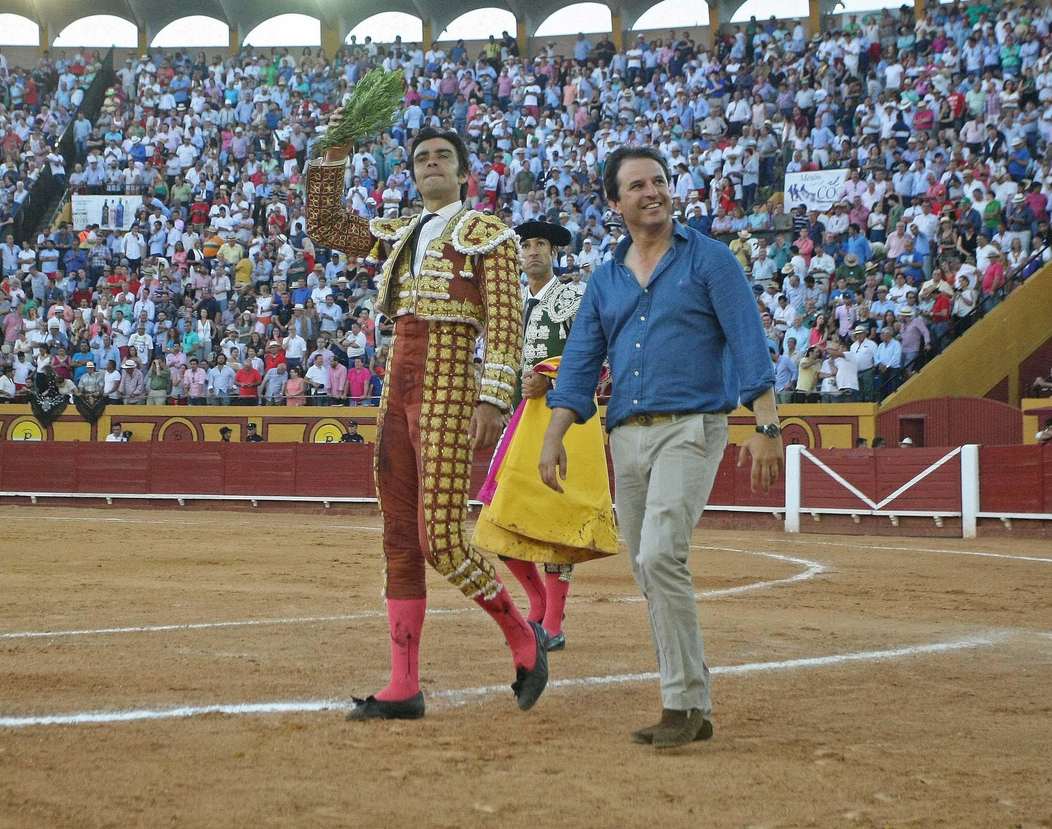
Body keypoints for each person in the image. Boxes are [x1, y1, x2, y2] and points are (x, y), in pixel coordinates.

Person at [540, 145, 781, 750]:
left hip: (691, 426)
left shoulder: (712, 261)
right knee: (652, 567)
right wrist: (552, 438)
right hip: (626, 434)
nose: (654, 192)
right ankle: (693, 701)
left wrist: (767, 426)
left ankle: (680, 704)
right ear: (615, 202)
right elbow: (579, 364)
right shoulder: (606, 278)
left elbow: (748, 340)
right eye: (639, 185)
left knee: (659, 555)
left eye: (661, 181)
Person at [308, 119, 545, 722]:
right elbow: (327, 225)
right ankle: (402, 685)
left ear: (463, 172)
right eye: (421, 158)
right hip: (398, 382)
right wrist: (336, 151)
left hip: (448, 382)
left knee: (439, 539)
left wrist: (493, 399)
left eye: (443, 156)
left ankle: (523, 636)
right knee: (398, 539)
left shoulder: (489, 235)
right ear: (413, 173)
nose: (431, 164)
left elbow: (506, 324)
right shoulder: (403, 231)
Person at [492, 219, 587, 652]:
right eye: (525, 245)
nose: (532, 252)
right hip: (518, 420)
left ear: (554, 252)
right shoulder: (509, 303)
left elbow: (596, 357)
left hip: (562, 421)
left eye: (540, 245)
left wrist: (550, 381)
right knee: (499, 514)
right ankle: (538, 601)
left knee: (556, 522)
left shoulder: (573, 297)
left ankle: (553, 621)